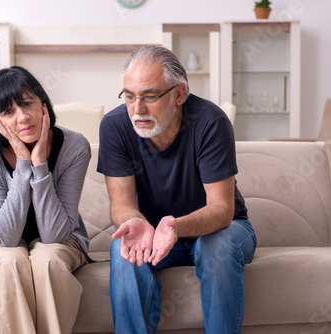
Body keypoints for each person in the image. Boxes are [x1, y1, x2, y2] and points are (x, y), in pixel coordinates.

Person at [97, 46, 257, 334]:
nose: (137, 109)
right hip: (154, 235)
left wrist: (173, 226)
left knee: (216, 246)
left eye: (149, 96)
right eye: (130, 96)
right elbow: (121, 204)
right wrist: (137, 223)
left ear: (179, 94)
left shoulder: (210, 122)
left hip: (223, 230)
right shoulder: (114, 126)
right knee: (123, 249)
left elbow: (222, 211)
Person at [0, 66, 91, 334]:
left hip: (62, 234)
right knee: (7, 261)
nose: (22, 117)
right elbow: (4, 238)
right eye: (9, 111)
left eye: (26, 104)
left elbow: (55, 235)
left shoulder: (75, 146)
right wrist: (23, 164)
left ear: (43, 104)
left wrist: (40, 165)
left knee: (48, 260)